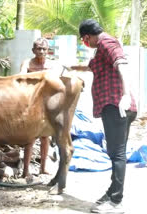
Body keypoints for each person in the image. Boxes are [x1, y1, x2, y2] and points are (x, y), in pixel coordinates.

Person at [70, 19, 137, 213]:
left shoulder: (107, 43)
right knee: (116, 153)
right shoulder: (101, 49)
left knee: (117, 155)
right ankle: (112, 192)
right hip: (116, 106)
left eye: (84, 41)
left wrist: (125, 95)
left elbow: (121, 64)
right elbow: (93, 67)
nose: (86, 44)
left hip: (116, 106)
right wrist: (72, 67)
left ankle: (116, 202)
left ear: (87, 37)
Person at [20, 38, 59, 174]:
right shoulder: (27, 63)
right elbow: (21, 79)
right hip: (30, 104)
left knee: (45, 136)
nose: (41, 51)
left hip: (47, 105)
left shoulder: (52, 66)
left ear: (48, 51)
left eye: (44, 49)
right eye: (38, 48)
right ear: (33, 50)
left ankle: (43, 168)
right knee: (30, 136)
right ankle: (25, 170)